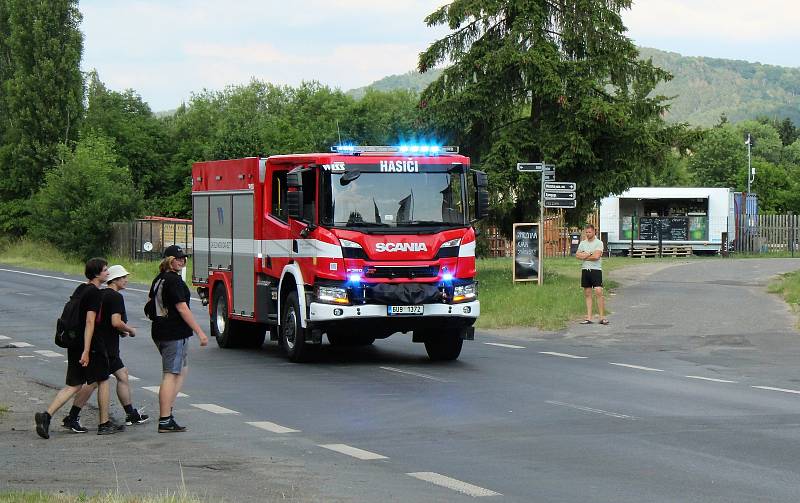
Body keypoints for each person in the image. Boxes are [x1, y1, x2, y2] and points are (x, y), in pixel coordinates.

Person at [35, 258, 122, 438]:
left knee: (74, 384)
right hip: (89, 345)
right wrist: (87, 350)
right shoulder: (95, 294)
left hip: (74, 342)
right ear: (97, 274)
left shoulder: (81, 289)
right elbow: (90, 322)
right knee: (103, 379)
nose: (107, 273)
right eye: (105, 270)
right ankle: (104, 423)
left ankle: (46, 415)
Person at [61, 265, 149, 433]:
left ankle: (131, 413)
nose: (126, 280)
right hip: (105, 347)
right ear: (114, 280)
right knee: (94, 382)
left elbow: (102, 320)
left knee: (120, 375)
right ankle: (77, 417)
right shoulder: (115, 297)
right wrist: (129, 330)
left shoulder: (100, 294)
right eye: (123, 277)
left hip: (100, 342)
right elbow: (115, 321)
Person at [149, 245, 208, 433]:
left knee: (181, 370)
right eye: (178, 258)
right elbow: (182, 308)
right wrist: (200, 332)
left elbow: (150, 304)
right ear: (169, 260)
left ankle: (169, 412)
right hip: (173, 332)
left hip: (160, 330)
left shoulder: (159, 279)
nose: (182, 260)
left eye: (184, 258)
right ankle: (165, 419)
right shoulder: (173, 281)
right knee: (171, 374)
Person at [575, 224, 608, 325]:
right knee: (588, 293)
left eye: (590, 232)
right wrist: (590, 254)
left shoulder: (599, 243)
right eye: (587, 232)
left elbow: (596, 256)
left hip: (596, 270)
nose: (588, 234)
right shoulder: (582, 243)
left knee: (598, 291)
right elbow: (577, 255)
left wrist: (585, 255)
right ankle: (589, 317)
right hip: (585, 269)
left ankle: (602, 317)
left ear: (594, 232)